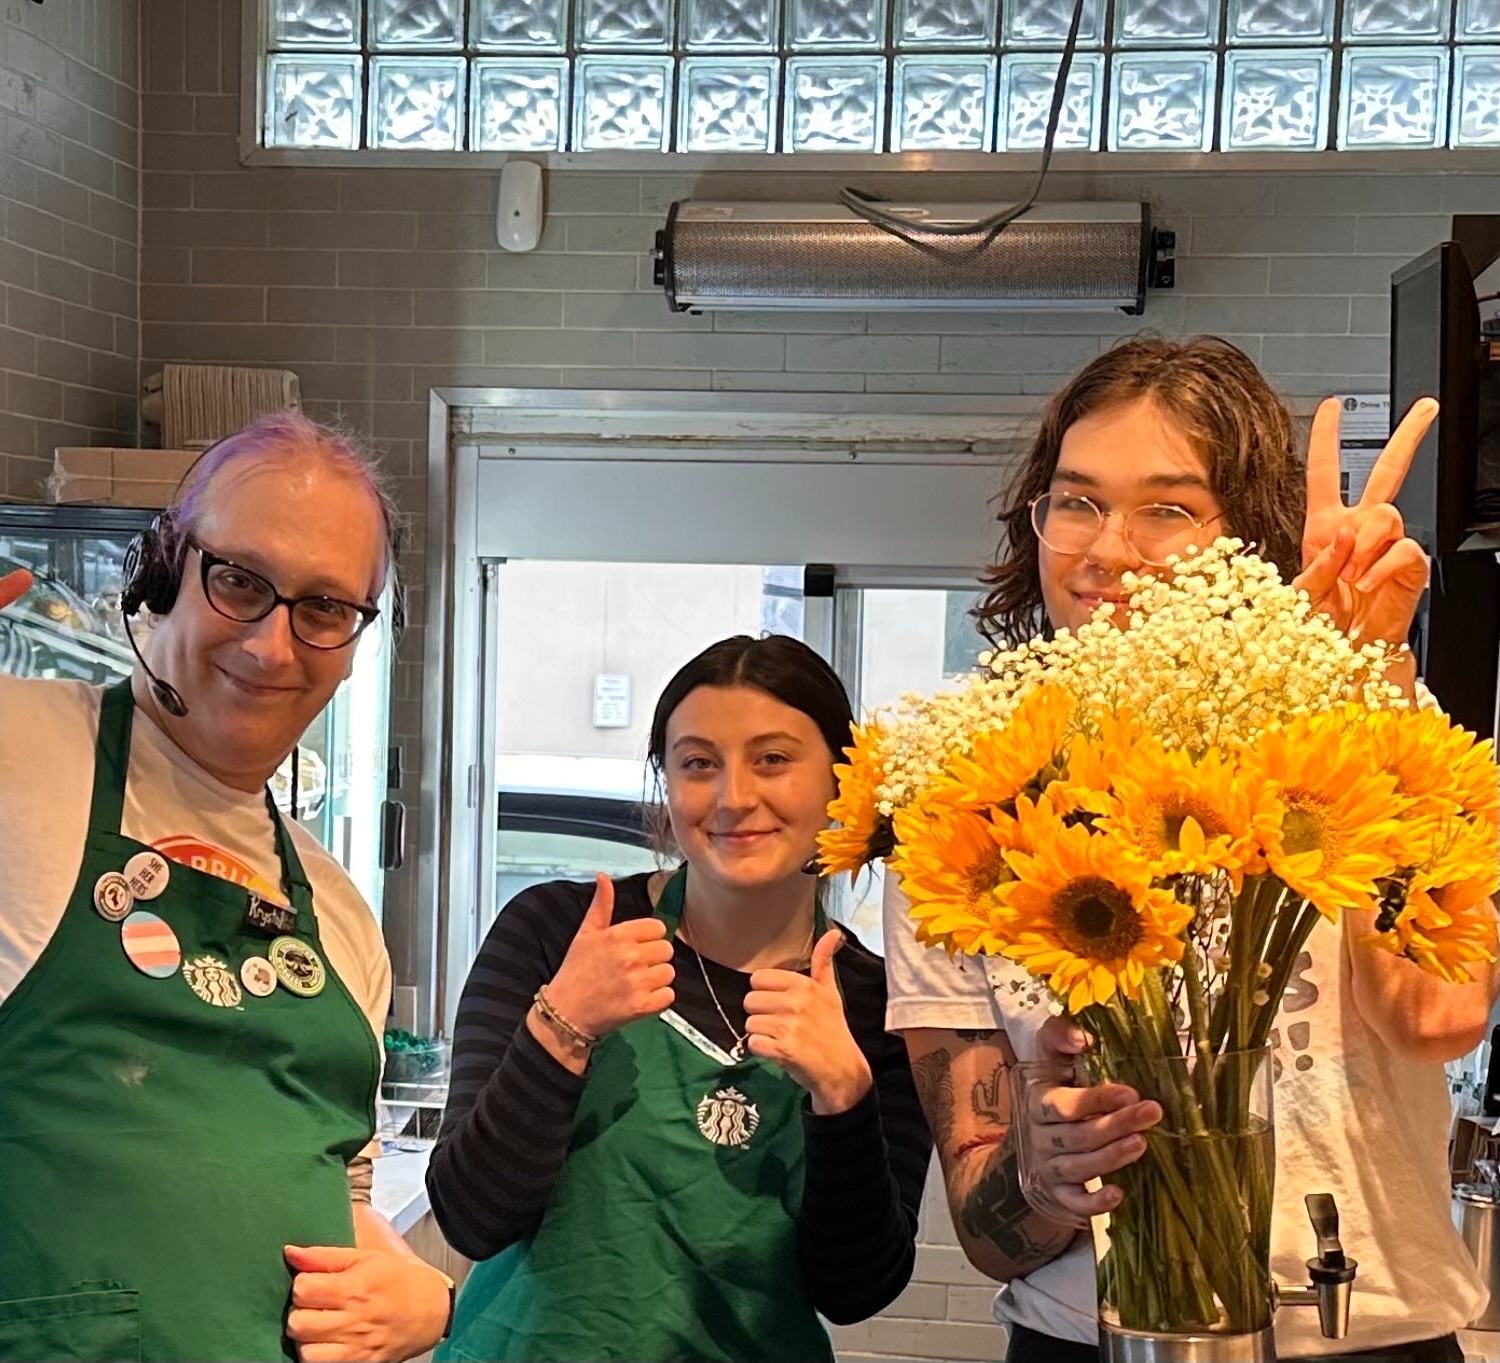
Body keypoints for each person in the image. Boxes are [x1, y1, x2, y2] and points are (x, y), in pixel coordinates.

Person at [0, 411, 453, 1363]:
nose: (271, 646)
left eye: (325, 608)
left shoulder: (337, 914)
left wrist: (419, 1295)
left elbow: (341, 1203)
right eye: (240, 582)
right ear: (163, 571)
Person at [882, 335, 1498, 1362]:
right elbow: (987, 1230)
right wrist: (1043, 1174)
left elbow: (1437, 1017)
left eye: (1166, 509)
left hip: (1365, 1337)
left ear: (1246, 538)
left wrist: (1364, 677)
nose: (1104, 549)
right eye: (1075, 501)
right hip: (1083, 1339)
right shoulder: (963, 798)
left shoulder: (1348, 736)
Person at [427, 635, 930, 1362]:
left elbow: (854, 1291)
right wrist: (563, 1027)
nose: (734, 797)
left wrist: (844, 1097)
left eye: (772, 759)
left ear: (843, 780)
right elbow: (470, 1218)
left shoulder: (875, 1002)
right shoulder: (556, 932)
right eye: (697, 763)